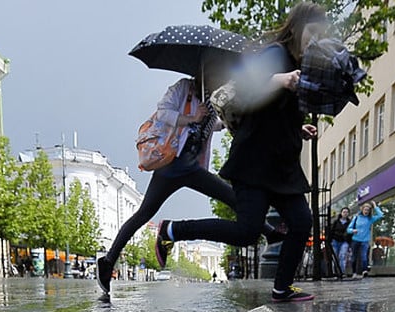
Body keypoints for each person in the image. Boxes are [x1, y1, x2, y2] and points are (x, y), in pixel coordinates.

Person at [155, 2, 327, 303]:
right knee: (247, 231)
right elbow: (245, 90)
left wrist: (299, 130)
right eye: (311, 33)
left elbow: (271, 114)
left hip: (281, 164)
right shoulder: (276, 55)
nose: (314, 40)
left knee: (301, 222)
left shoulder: (303, 65)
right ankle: (172, 230)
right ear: (298, 29)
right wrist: (279, 79)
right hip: (254, 162)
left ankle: (281, 288)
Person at [96, 70, 285, 294]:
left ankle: (269, 232)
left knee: (232, 196)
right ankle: (107, 262)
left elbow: (215, 124)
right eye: (216, 76)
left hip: (191, 166)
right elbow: (163, 113)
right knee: (143, 214)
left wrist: (219, 122)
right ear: (203, 72)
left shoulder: (215, 99)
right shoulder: (182, 89)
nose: (218, 82)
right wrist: (191, 118)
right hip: (170, 164)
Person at [347, 200, 383, 277]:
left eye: (368, 210)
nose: (366, 211)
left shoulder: (370, 219)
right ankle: (354, 273)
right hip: (355, 240)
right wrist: (353, 230)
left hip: (365, 240)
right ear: (362, 210)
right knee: (354, 257)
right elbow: (348, 229)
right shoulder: (356, 218)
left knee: (364, 256)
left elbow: (380, 215)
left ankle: (364, 271)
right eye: (365, 209)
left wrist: (375, 206)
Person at [330, 207, 352, 276]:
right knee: (335, 256)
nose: (345, 213)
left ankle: (341, 272)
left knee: (342, 255)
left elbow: (350, 233)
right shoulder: (336, 222)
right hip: (335, 240)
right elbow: (332, 231)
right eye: (344, 212)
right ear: (341, 213)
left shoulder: (349, 223)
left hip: (344, 241)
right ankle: (335, 272)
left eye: (346, 212)